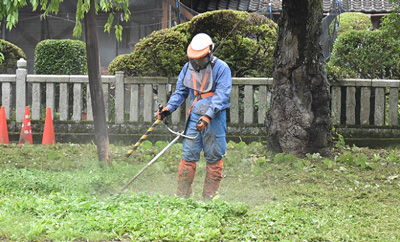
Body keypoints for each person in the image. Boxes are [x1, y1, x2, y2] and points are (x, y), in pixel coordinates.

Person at [157, 33, 232, 201]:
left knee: (214, 157)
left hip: (214, 119)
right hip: (194, 118)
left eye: (201, 58)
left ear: (209, 52)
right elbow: (180, 92)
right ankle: (182, 197)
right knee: (188, 156)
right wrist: (169, 108)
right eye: (194, 58)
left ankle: (209, 198)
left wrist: (208, 116)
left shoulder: (222, 68)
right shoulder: (188, 68)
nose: (197, 62)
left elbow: (221, 96)